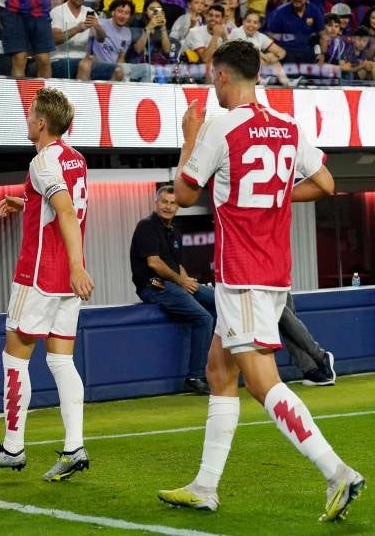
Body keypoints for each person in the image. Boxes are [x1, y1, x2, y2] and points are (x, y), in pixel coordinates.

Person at [158, 39, 365, 520]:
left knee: (261, 382)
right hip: (274, 273)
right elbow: (327, 184)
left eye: (213, 76)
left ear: (224, 77)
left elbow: (185, 194)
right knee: (219, 371)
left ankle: (336, 470)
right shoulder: (288, 126)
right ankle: (206, 485)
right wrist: (275, 196)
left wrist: (189, 135)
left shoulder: (219, 127)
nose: (212, 84)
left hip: (242, 275)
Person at [0, 87, 94, 481]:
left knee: (14, 356)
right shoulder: (75, 159)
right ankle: (74, 448)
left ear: (41, 123)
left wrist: (75, 266)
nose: (26, 120)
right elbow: (61, 205)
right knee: (61, 360)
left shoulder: (42, 161)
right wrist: (23, 202)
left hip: (39, 274)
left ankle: (12, 447)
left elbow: (64, 212)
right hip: (66, 283)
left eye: (29, 115)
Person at [130, 185, 214, 395]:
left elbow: (179, 266)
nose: (168, 206)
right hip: (154, 286)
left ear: (178, 206)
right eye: (164, 202)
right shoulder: (146, 226)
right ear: (156, 202)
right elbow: (154, 263)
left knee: (219, 301)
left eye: (173, 203)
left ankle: (217, 367)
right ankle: (194, 377)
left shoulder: (174, 232)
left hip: (174, 283)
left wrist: (188, 282)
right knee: (203, 318)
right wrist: (182, 282)